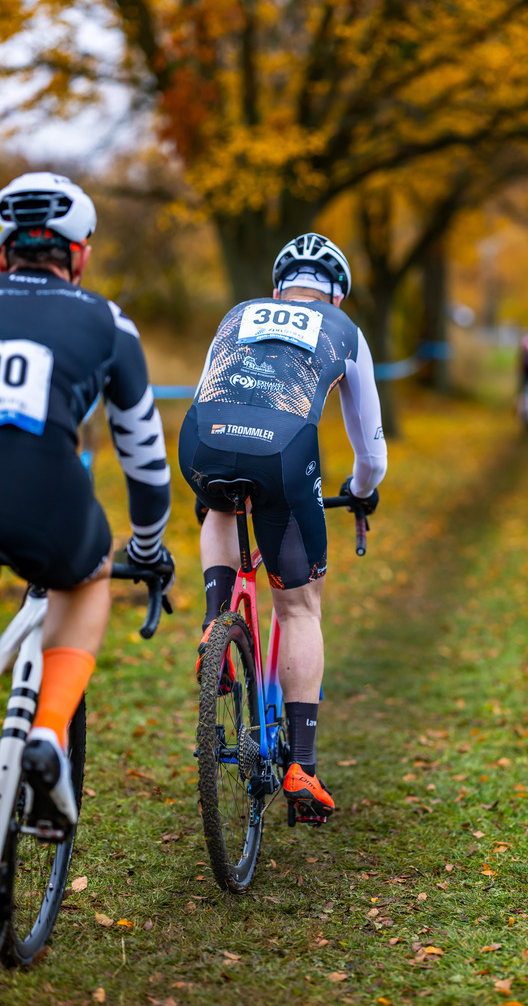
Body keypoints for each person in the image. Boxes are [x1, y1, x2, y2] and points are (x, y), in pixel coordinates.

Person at [178, 232, 387, 820]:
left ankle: (215, 623)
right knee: (298, 608)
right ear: (338, 295)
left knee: (218, 504)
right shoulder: (344, 331)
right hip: (285, 452)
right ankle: (303, 766)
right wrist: (361, 493)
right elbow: (370, 450)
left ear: (277, 287)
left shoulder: (239, 313)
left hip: (203, 441)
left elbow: (205, 391)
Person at [0, 172, 173, 832]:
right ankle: (46, 732)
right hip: (44, 490)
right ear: (78, 254)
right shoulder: (107, 321)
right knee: (90, 574)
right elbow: (145, 456)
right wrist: (148, 548)